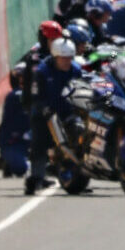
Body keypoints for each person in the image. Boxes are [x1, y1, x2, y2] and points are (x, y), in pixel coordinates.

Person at [25, 39, 84, 195]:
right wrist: (44, 109)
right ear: (55, 57)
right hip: (44, 113)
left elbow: (82, 89)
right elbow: (35, 95)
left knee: (79, 134)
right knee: (39, 143)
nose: (67, 62)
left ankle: (79, 175)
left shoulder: (76, 70)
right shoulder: (42, 71)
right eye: (63, 58)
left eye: (70, 58)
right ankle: (36, 177)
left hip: (67, 111)